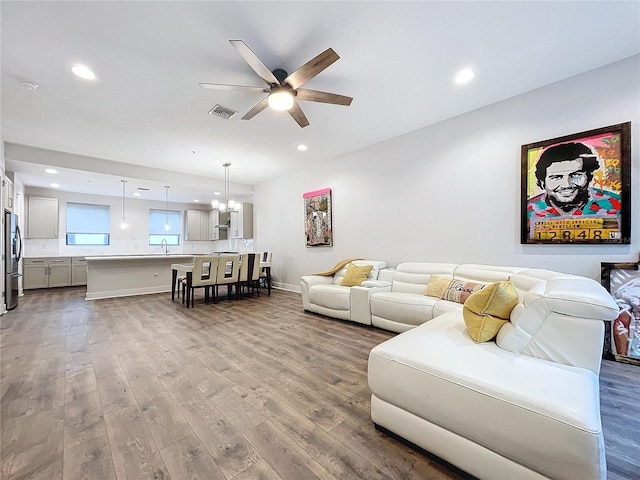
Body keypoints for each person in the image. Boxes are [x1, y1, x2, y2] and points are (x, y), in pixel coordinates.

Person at [527, 142, 620, 219]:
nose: (566, 185)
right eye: (556, 177)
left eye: (576, 175)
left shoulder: (617, 205)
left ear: (589, 177)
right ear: (542, 183)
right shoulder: (528, 210)